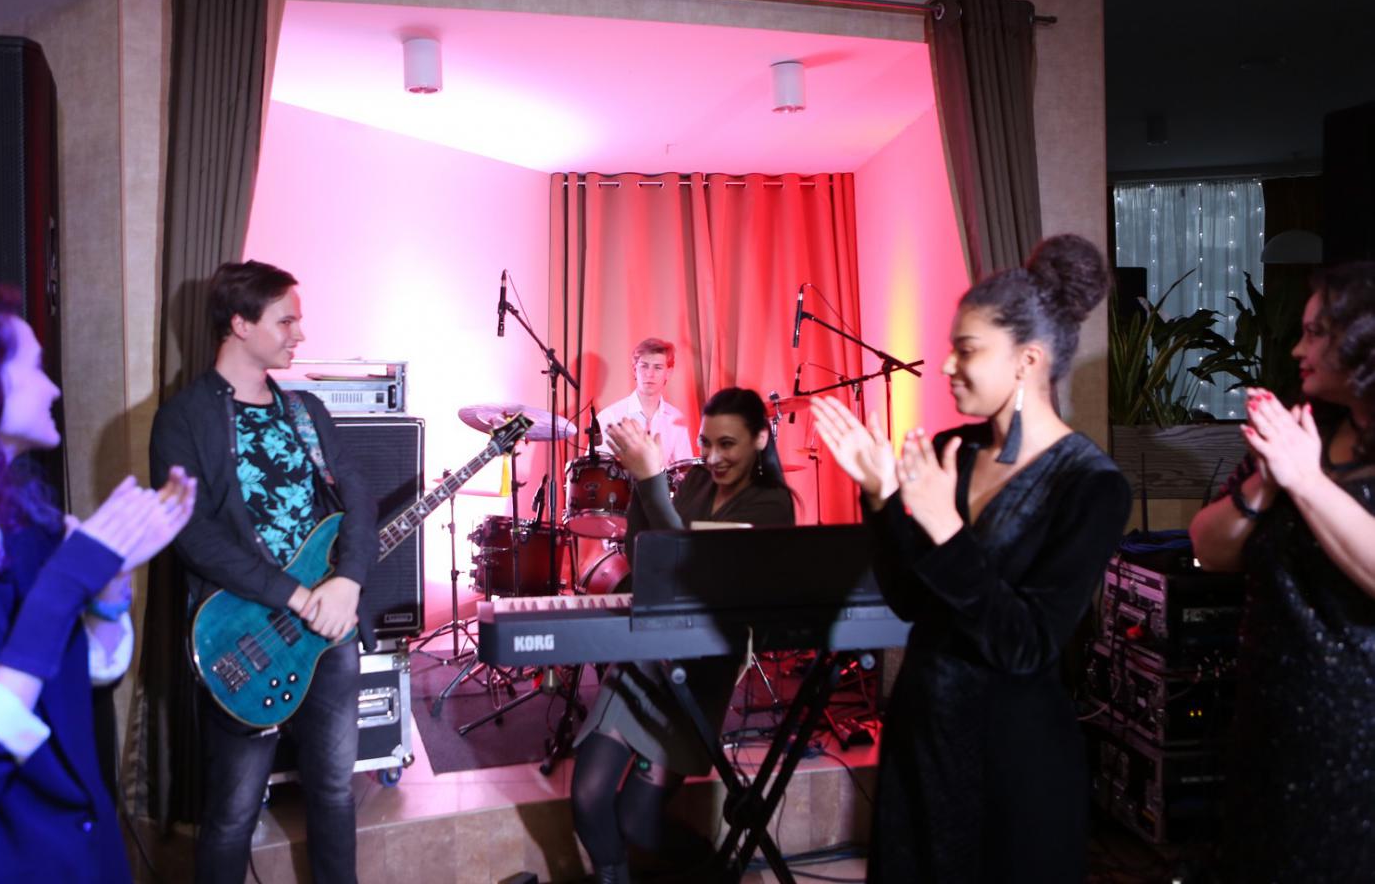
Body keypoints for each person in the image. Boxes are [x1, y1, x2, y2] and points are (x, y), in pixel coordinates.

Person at [812, 234, 1131, 883]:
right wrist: (881, 499)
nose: (947, 366)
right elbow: (911, 602)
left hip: (1013, 760)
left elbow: (1027, 645)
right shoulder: (954, 451)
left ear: (1027, 360)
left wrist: (946, 529)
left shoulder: (1091, 486)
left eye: (967, 349)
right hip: (922, 740)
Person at [0, 284, 196, 881]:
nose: (53, 389)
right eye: (32, 369)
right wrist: (63, 586)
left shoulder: (25, 521)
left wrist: (110, 586)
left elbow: (81, 672)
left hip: (83, 855)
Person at [149, 260, 377, 884]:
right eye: (286, 321)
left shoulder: (305, 410)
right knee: (232, 815)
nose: (300, 334)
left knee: (334, 793)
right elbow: (192, 534)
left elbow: (358, 496)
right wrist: (297, 596)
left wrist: (348, 581)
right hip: (243, 634)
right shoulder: (183, 419)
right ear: (240, 324)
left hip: (327, 631)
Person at [1188, 262, 1375, 881]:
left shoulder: (1305, 459)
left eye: (1316, 333)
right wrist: (1266, 483)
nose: (1298, 349)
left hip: (1358, 734)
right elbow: (1208, 550)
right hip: (1272, 719)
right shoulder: (1305, 429)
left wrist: (1305, 480)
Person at [570, 386, 795, 884]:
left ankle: (717, 870)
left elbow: (696, 576)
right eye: (705, 442)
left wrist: (652, 482)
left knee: (638, 822)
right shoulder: (696, 480)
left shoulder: (771, 504)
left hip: (697, 669)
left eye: (727, 444)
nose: (712, 457)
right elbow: (648, 553)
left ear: (761, 439)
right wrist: (639, 484)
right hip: (647, 650)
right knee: (587, 796)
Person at [595, 337, 695, 465]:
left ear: (668, 373)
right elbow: (598, 470)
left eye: (658, 368)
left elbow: (684, 470)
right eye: (644, 366)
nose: (650, 374)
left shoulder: (676, 419)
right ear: (634, 370)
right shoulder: (609, 416)